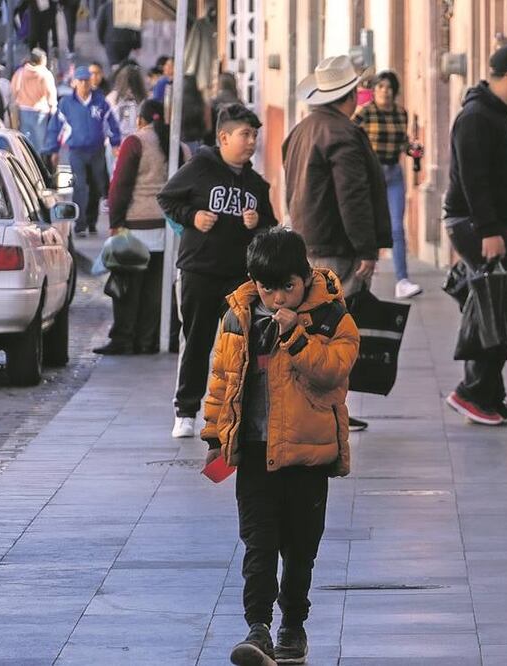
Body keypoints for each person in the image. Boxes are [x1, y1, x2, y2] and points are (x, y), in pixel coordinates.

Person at [201, 227, 356, 666]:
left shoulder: (331, 316)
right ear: (255, 282)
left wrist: (297, 339)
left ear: (304, 277)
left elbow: (335, 370)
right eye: (268, 289)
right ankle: (258, 628)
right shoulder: (238, 317)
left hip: (308, 456)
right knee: (259, 543)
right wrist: (214, 436)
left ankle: (292, 625)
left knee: (301, 547)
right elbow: (222, 380)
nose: (278, 299)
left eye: (288, 287)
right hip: (254, 452)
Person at [282, 54, 392, 433]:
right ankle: (324, 407)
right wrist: (366, 248)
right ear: (350, 95)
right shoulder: (343, 134)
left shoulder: (303, 130)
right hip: (336, 246)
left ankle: (321, 405)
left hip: (308, 240)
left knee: (315, 327)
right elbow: (353, 197)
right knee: (334, 331)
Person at [157, 103, 277, 439]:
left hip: (239, 276)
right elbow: (167, 199)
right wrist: (193, 216)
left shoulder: (256, 184)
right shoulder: (199, 167)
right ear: (224, 137)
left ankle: (236, 410)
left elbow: (271, 225)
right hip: (198, 270)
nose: (251, 142)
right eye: (245, 135)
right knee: (197, 340)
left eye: (254, 135)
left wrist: (259, 222)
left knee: (241, 344)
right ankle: (186, 411)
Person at [441, 44, 507, 427]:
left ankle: (490, 395)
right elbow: (475, 181)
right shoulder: (475, 118)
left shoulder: (503, 114)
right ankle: (471, 392)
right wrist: (488, 230)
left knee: (503, 306)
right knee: (494, 307)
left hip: (498, 225)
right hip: (474, 224)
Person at [94, 100, 188, 356]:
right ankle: (149, 339)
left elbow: (120, 185)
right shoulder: (178, 146)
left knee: (128, 287)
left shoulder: (135, 142)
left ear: (140, 120)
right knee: (156, 288)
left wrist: (115, 222)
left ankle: (125, 338)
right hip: (167, 227)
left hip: (135, 228)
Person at [352, 69, 423, 300]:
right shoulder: (365, 113)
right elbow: (349, 136)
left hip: (394, 174)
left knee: (396, 228)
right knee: (369, 224)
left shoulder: (401, 114)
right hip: (371, 174)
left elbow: (402, 142)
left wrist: (412, 149)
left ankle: (402, 280)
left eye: (389, 87)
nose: (385, 91)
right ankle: (363, 276)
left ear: (395, 91)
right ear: (374, 90)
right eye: (381, 87)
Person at [44, 65, 122, 236]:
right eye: (81, 81)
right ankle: (80, 225)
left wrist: (116, 143)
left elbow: (111, 123)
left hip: (97, 150)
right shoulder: (66, 104)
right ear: (75, 83)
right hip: (76, 151)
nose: (84, 84)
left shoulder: (100, 102)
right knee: (80, 186)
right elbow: (55, 127)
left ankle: (92, 222)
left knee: (96, 187)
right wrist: (53, 149)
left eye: (86, 80)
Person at [10, 48, 57, 153]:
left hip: (23, 110)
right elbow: (50, 93)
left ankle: (26, 161)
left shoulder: (20, 73)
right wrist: (53, 107)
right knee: (40, 143)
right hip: (41, 112)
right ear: (42, 59)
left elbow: (13, 90)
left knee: (25, 142)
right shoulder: (45, 74)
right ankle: (38, 162)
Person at [96, 0, 141, 69]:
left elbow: (100, 25)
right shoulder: (130, 7)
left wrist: (102, 40)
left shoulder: (106, 7)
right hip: (127, 41)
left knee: (115, 65)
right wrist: (137, 45)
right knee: (123, 65)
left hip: (111, 42)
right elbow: (136, 26)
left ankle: (117, 72)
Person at [106, 64, 146, 139]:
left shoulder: (143, 101)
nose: (130, 90)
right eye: (128, 85)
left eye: (133, 86)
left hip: (136, 139)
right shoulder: (112, 98)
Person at [180, 74, 211, 153]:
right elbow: (208, 127)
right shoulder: (202, 103)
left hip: (181, 142)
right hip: (197, 141)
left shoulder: (178, 104)